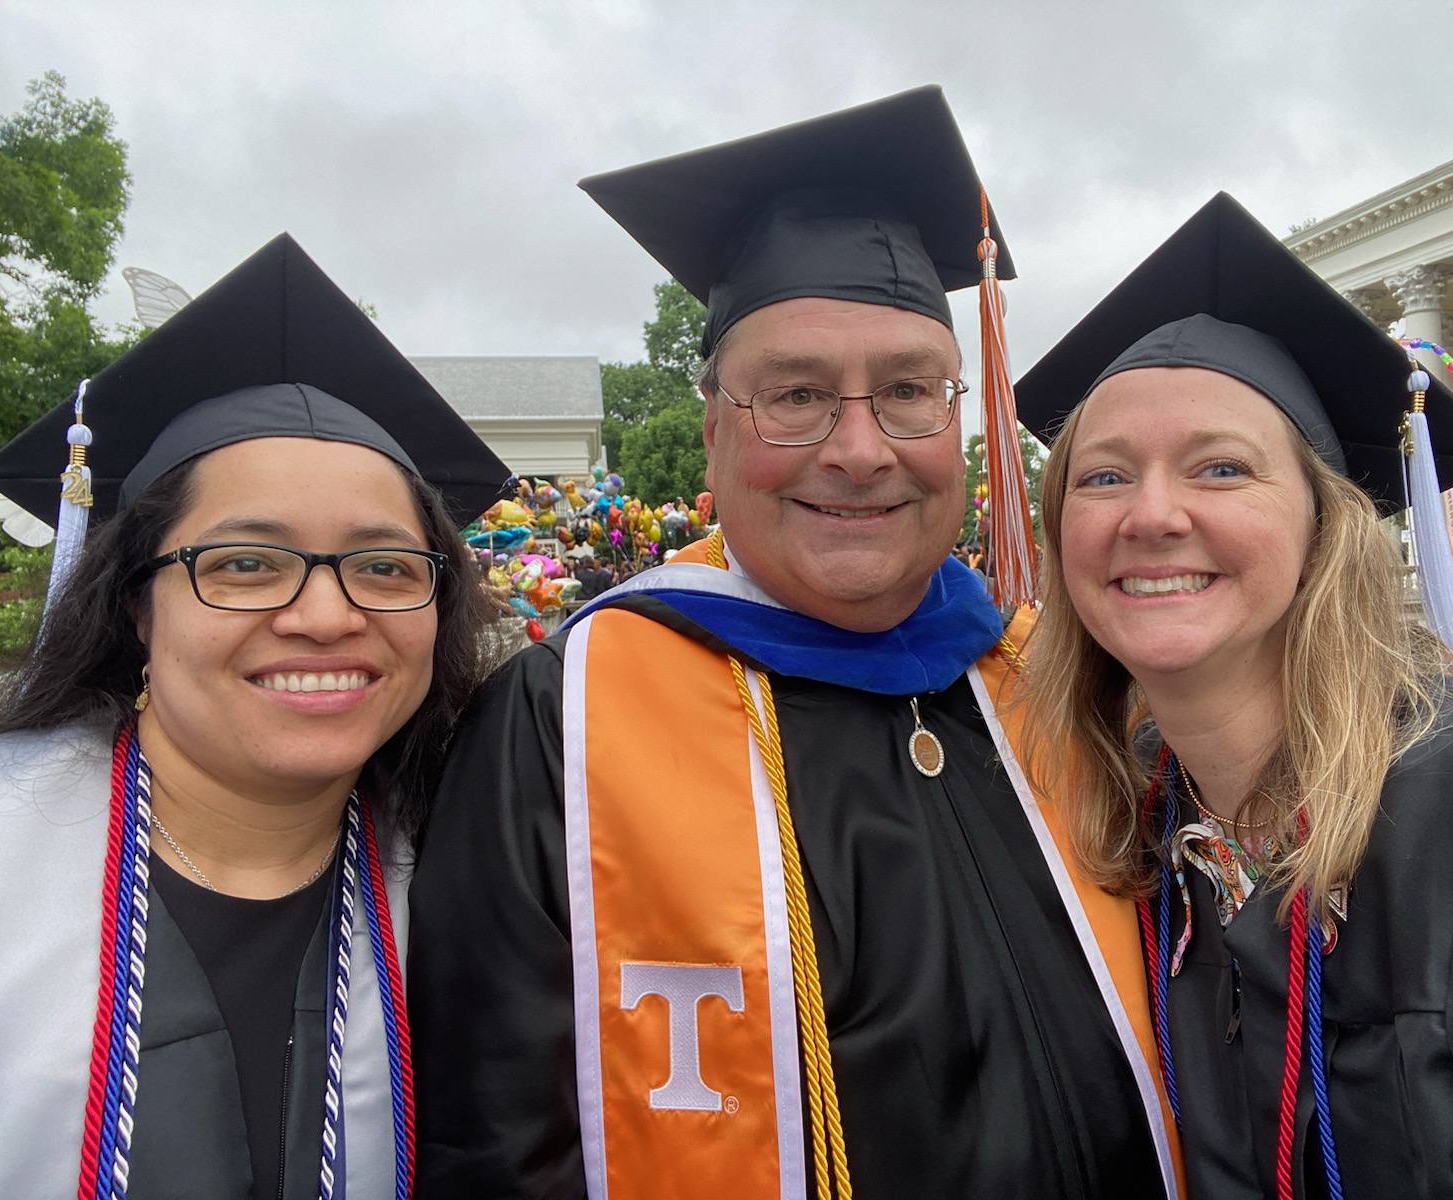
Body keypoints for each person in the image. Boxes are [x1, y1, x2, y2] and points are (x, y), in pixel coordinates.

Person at [408, 88, 1178, 1199]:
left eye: (910, 391)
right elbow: (495, 1147)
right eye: (797, 395)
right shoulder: (561, 718)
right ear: (714, 428)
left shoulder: (1054, 677)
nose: (860, 449)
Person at [1010, 193, 1453, 1200]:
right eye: (1102, 478)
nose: (1151, 514)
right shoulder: (1133, 824)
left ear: (1327, 529)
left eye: (1221, 467)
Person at [0, 233, 509, 1199]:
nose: (326, 616)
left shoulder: (488, 875)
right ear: (135, 602)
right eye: (244, 564)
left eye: (386, 567)